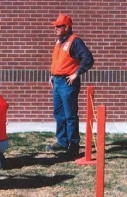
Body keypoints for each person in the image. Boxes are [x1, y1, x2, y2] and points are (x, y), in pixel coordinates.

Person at [46, 14, 94, 158]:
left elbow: (88, 58)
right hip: (57, 81)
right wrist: (53, 75)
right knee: (59, 113)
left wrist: (76, 74)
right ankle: (62, 141)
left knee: (70, 115)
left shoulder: (75, 41)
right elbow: (58, 61)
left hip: (68, 82)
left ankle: (73, 145)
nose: (55, 28)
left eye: (58, 26)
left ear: (66, 27)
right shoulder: (59, 42)